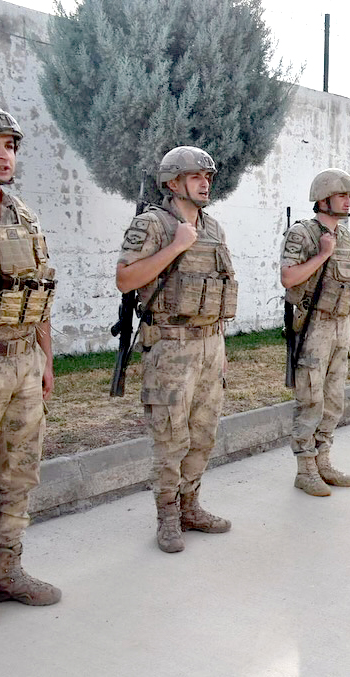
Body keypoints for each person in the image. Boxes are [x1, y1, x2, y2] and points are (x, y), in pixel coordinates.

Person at [116, 146, 236, 552]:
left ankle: (191, 506)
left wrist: (221, 348)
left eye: (208, 177)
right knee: (171, 437)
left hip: (210, 345)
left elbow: (219, 286)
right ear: (173, 182)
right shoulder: (152, 225)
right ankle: (167, 514)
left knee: (204, 432)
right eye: (196, 176)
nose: (205, 183)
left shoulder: (214, 227)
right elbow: (125, 279)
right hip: (170, 348)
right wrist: (176, 246)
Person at [0, 107, 60, 605]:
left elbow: (37, 292)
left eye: (11, 145)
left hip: (22, 361)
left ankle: (6, 570)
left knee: (19, 469)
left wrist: (46, 360)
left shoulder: (22, 215)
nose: (3, 154)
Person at [280, 169, 350, 496]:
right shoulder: (303, 234)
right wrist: (323, 254)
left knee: (334, 397)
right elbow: (289, 278)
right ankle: (305, 468)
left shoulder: (345, 235)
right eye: (343, 195)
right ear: (323, 198)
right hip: (315, 324)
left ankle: (324, 460)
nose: (348, 201)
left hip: (343, 324)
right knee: (310, 397)